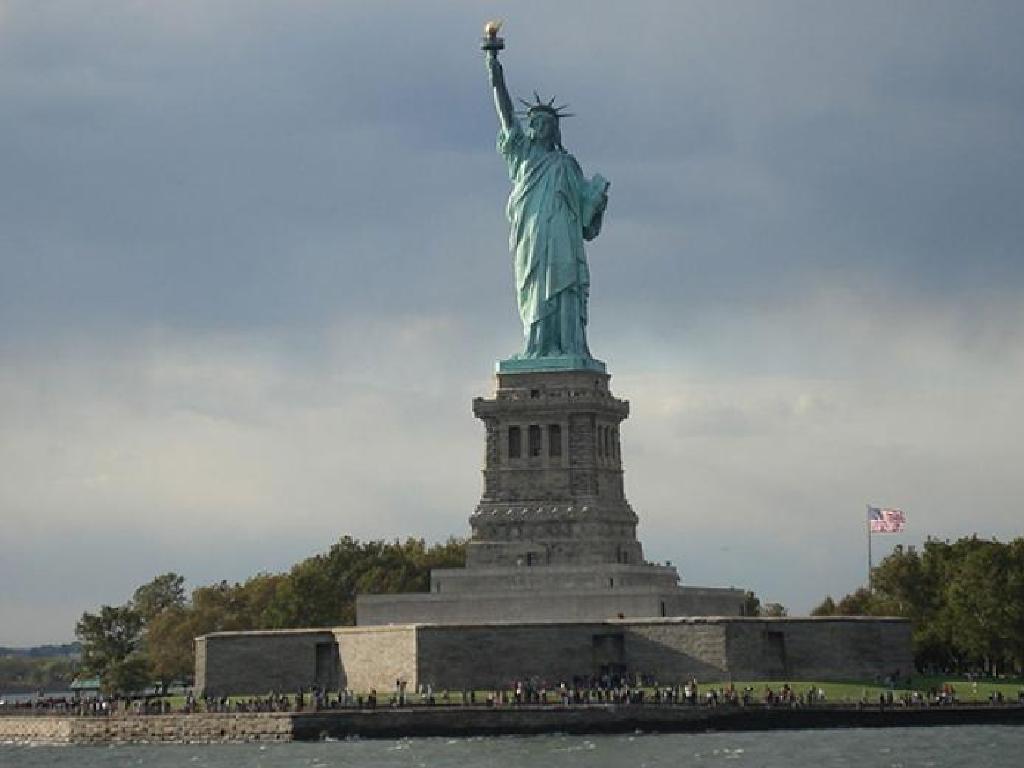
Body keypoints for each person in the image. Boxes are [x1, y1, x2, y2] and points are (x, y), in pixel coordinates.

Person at [485, 48, 609, 361]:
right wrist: (495, 72)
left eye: (546, 124)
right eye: (536, 122)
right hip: (532, 234)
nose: (539, 127)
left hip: (563, 238)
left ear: (554, 130)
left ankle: (568, 346)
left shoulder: (566, 164)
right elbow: (506, 113)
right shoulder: (522, 155)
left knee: (564, 286)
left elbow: (585, 214)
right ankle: (536, 345)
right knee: (534, 288)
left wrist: (597, 199)